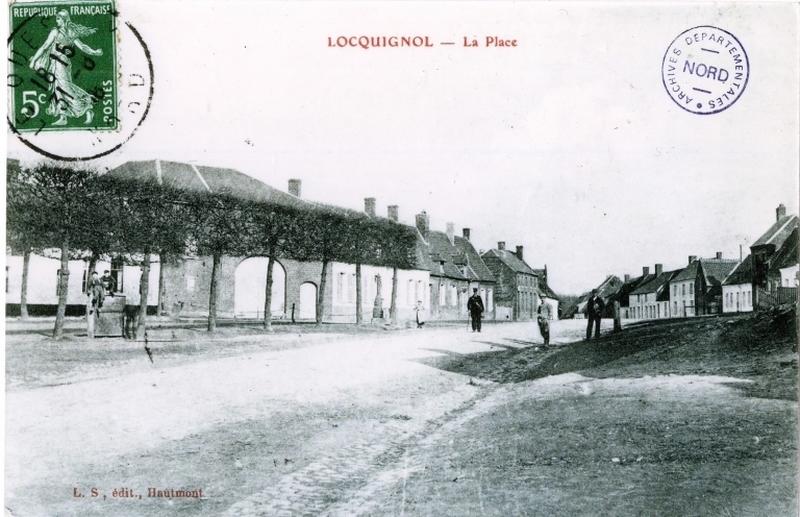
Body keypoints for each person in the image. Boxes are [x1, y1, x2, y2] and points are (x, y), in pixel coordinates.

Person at [28, 10, 103, 126]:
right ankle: (63, 116)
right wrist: (34, 60)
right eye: (57, 19)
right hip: (56, 63)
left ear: (64, 20)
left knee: (65, 88)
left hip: (62, 64)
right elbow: (45, 47)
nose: (57, 21)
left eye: (58, 19)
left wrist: (94, 52)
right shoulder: (61, 32)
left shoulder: (63, 32)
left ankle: (87, 108)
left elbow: (81, 46)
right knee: (58, 88)